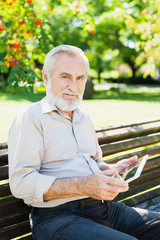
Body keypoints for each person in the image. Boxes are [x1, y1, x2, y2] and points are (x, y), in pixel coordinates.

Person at [8, 45, 160, 240]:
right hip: (57, 218)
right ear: (46, 77)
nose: (74, 86)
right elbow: (21, 183)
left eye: (80, 78)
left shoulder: (83, 118)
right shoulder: (31, 118)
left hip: (104, 210)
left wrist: (112, 169)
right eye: (65, 77)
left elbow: (93, 163)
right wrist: (82, 186)